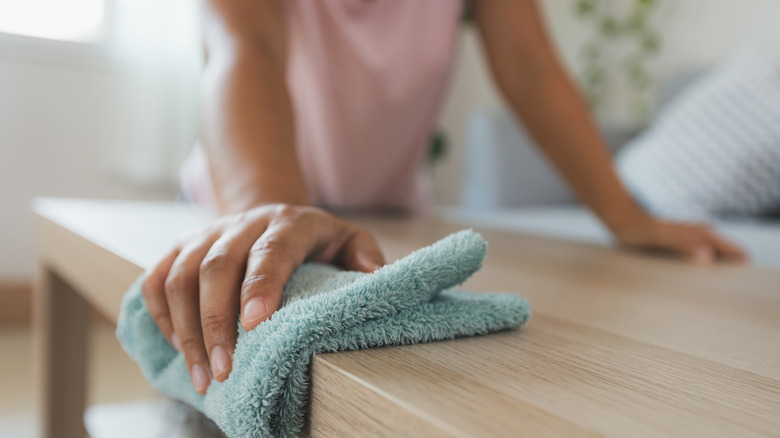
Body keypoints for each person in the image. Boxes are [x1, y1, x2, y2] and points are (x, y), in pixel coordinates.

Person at [141, 0, 746, 396]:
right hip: (239, 202)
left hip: (386, 218)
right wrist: (269, 210)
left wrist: (627, 216)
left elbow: (531, 68)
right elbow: (246, 49)